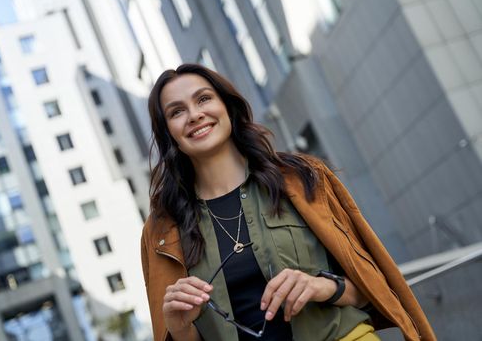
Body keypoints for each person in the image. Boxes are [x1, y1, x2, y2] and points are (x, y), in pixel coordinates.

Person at [141, 63, 435, 341]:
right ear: (168, 133)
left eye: (203, 99)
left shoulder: (301, 177)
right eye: (177, 111)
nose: (194, 115)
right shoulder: (162, 231)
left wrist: (320, 286)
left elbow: (370, 285)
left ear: (227, 107)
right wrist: (179, 330)